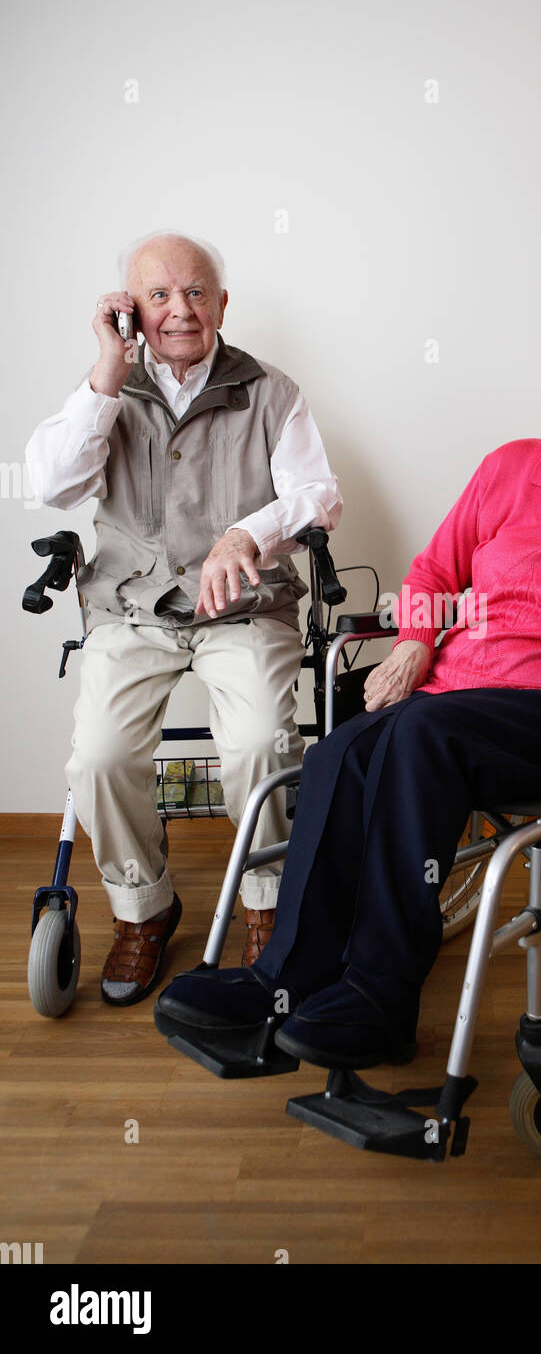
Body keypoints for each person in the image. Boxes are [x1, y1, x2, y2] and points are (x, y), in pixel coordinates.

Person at [155, 318, 541, 1070]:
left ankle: (380, 1000)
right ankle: (283, 982)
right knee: (339, 755)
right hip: (455, 698)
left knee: (419, 739)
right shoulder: (509, 467)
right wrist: (418, 641)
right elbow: (432, 573)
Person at [26, 231, 342, 1004]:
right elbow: (53, 486)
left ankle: (264, 905)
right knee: (97, 756)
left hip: (242, 609)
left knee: (260, 745)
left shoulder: (271, 390)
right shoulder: (107, 388)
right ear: (130, 309)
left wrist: (248, 533)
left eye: (196, 292)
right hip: (131, 607)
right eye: (158, 296)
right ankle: (145, 908)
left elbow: (318, 495)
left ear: (222, 305)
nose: (179, 310)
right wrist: (108, 368)